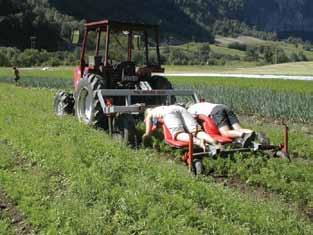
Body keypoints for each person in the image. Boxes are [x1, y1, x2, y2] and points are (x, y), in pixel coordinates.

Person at [142, 105, 219, 151]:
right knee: (196, 130)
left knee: (178, 133)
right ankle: (214, 142)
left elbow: (148, 132)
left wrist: (145, 136)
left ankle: (199, 142)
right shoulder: (159, 108)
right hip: (180, 108)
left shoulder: (150, 114)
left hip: (169, 112)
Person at [188, 102, 255, 147]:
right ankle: (254, 134)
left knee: (225, 132)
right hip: (224, 107)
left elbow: (192, 121)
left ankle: (244, 135)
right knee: (239, 129)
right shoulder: (202, 103)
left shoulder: (190, 109)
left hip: (217, 111)